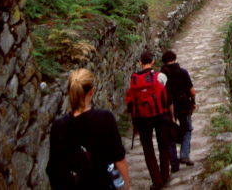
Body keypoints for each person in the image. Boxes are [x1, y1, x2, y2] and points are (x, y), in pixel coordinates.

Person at [47, 68, 131, 190]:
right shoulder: (105, 118)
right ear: (92, 91)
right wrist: (127, 187)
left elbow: (53, 168)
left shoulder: (58, 126)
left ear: (69, 92)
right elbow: (119, 158)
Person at [126, 51, 171, 190]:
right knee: (163, 146)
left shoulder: (133, 80)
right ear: (152, 62)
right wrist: (171, 116)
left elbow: (130, 103)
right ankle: (165, 176)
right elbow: (167, 98)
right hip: (160, 116)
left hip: (142, 119)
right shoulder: (159, 77)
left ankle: (156, 181)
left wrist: (134, 122)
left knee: (148, 150)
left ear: (140, 63)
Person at [158, 50, 197, 171]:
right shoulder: (182, 72)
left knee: (170, 135)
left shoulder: (160, 76)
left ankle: (174, 165)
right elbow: (192, 91)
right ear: (175, 59)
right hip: (183, 106)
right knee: (187, 129)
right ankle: (184, 154)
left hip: (168, 108)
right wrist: (193, 102)